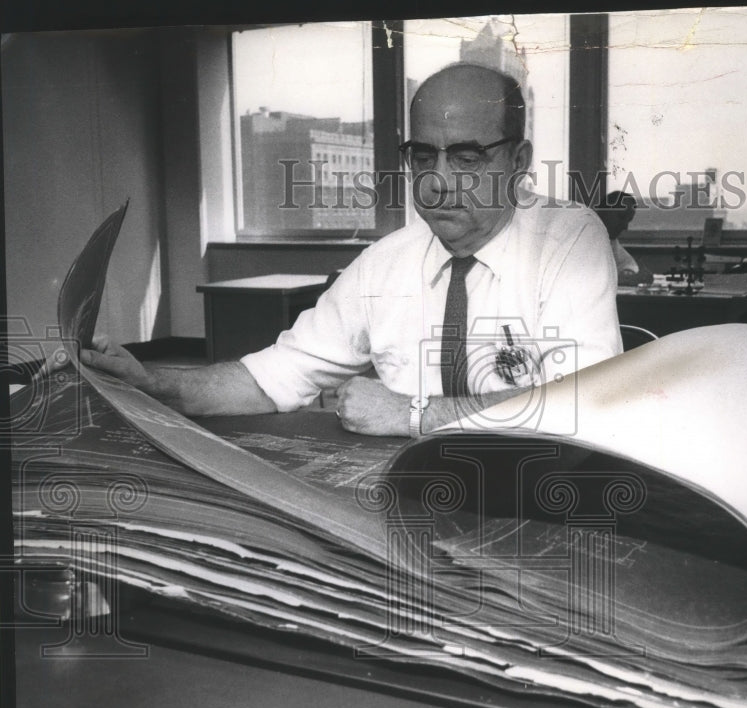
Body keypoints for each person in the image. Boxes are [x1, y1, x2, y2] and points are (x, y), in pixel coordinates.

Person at [82, 63, 622, 437]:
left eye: (466, 157)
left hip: (537, 493)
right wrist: (153, 383)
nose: (437, 181)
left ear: (519, 160)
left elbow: (587, 401)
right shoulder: (383, 263)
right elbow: (273, 376)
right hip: (412, 502)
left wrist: (413, 413)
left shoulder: (570, 238)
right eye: (422, 156)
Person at [594, 191, 654, 286]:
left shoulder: (610, 240)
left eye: (628, 220)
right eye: (621, 217)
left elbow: (628, 263)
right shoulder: (584, 236)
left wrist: (628, 272)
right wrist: (626, 278)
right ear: (603, 211)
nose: (625, 226)